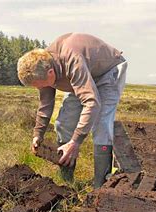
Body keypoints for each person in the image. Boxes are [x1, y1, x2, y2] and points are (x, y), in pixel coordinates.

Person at [17, 33, 127, 188]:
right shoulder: (43, 68)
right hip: (81, 78)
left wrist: (76, 141)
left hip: (107, 71)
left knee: (101, 125)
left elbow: (91, 102)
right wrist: (37, 135)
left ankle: (100, 186)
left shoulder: (71, 59)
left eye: (39, 85)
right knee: (64, 123)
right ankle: (66, 180)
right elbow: (46, 104)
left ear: (50, 73)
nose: (39, 89)